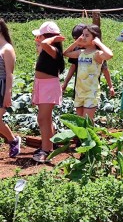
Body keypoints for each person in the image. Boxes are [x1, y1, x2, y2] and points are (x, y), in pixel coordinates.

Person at [63, 24, 113, 121]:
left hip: (91, 93)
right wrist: (76, 43)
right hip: (79, 92)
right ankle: (85, 136)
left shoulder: (97, 54)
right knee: (81, 122)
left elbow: (110, 55)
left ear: (95, 38)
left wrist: (99, 43)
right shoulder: (80, 52)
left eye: (87, 35)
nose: (83, 38)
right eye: (83, 35)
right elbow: (65, 53)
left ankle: (89, 136)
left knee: (87, 121)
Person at [32, 21, 65, 162]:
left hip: (49, 86)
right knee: (46, 118)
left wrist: (54, 39)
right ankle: (49, 146)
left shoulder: (54, 50)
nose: (38, 39)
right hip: (41, 84)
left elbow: (45, 44)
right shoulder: (46, 49)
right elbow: (42, 45)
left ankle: (46, 149)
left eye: (41, 36)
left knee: (42, 118)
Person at [0, 19, 21, 157]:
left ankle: (13, 140)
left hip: (1, 86)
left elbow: (9, 73)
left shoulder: (7, 49)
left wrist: (8, 93)